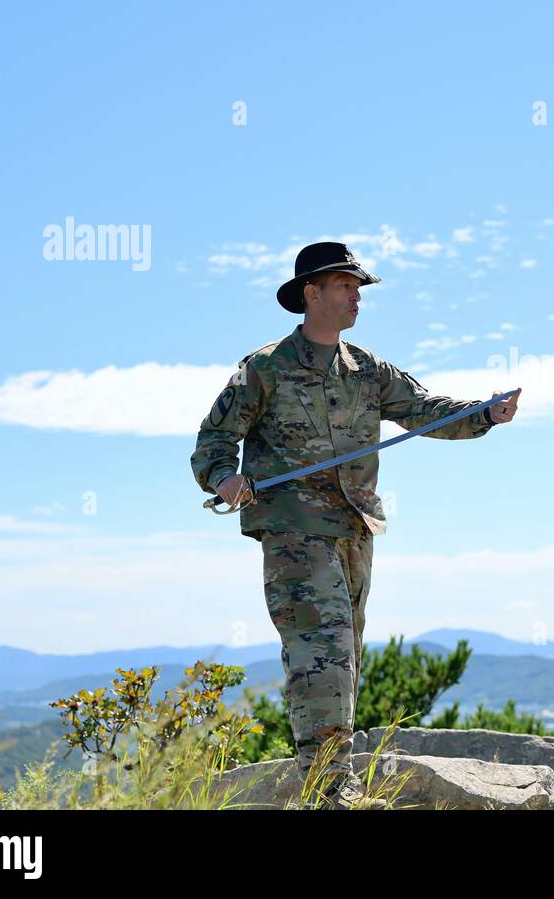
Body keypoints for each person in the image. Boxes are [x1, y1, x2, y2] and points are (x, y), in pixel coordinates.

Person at [190, 241, 520, 792]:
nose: (355, 296)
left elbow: (425, 411)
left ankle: (329, 776)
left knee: (345, 654)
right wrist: (225, 478)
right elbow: (214, 440)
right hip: (294, 529)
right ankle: (329, 788)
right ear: (310, 294)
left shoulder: (368, 370)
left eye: (357, 287)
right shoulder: (265, 367)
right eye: (344, 285)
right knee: (323, 653)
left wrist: (483, 413)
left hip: (355, 527)